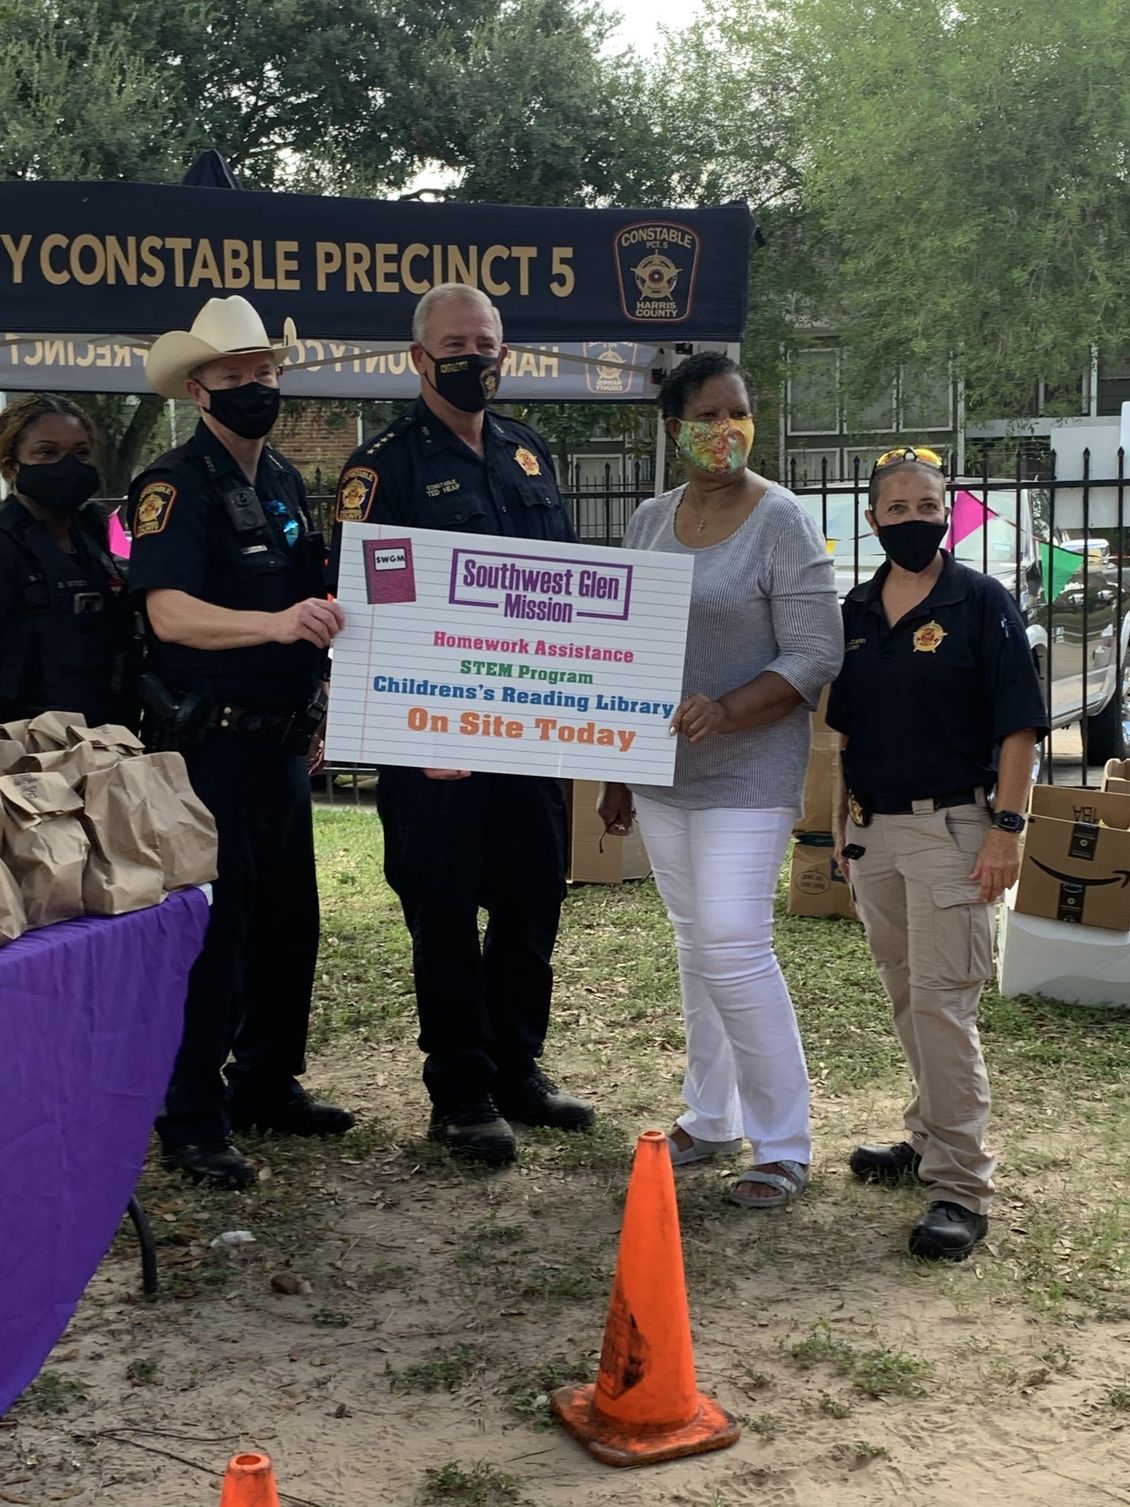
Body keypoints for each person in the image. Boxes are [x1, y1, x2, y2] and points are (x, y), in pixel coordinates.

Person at [331, 282, 593, 1166]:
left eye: (486, 344)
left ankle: (519, 1065)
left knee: (531, 903)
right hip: (434, 742)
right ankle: (462, 1092)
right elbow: (369, 607)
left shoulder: (529, 453)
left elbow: (560, 592)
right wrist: (419, 726)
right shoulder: (384, 467)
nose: (473, 358)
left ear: (505, 353)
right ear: (418, 358)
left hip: (526, 731)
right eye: (455, 345)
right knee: (442, 913)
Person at [599, 352, 843, 1209]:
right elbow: (627, 651)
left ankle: (783, 1143)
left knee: (736, 939)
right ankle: (711, 1113)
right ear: (676, 429)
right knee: (696, 943)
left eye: (739, 413)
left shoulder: (782, 520)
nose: (727, 430)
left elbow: (816, 653)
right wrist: (620, 769)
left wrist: (728, 710)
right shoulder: (649, 522)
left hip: (748, 769)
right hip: (663, 776)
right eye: (708, 415)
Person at [127, 295, 353, 1190]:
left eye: (267, 372)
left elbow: (317, 607)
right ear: (198, 387)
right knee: (213, 934)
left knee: (288, 922)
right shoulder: (171, 486)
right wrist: (272, 626)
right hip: (208, 748)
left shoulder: (287, 480)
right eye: (238, 376)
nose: (258, 386)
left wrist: (325, 703)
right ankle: (191, 1112)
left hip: (281, 745)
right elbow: (168, 612)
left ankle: (267, 1079)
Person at [827, 445, 1049, 1261]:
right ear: (873, 518)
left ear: (947, 511)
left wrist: (1009, 828)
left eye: (930, 506)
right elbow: (843, 731)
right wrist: (840, 831)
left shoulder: (981, 600)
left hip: (956, 829)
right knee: (904, 992)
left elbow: (1019, 726)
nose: (914, 520)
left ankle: (960, 1186)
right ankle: (926, 1138)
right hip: (875, 832)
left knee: (943, 1006)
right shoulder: (855, 608)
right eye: (899, 508)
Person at [0, 394, 137, 728]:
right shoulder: (6, 544)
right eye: (47, 453)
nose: (68, 465)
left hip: (107, 740)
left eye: (81, 453)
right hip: (27, 752)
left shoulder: (94, 534)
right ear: (11, 467)